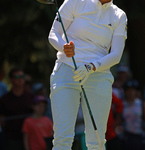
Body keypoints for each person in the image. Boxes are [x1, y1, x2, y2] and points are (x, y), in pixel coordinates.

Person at [48, 0, 127, 149]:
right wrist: (63, 48)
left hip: (98, 75)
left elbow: (116, 54)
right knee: (62, 139)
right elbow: (54, 33)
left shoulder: (119, 15)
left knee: (96, 141)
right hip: (66, 70)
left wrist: (91, 67)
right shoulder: (74, 2)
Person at [0, 68, 34, 150]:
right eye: (17, 76)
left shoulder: (31, 97)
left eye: (22, 76)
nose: (20, 79)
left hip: (31, 138)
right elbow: (2, 119)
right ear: (11, 80)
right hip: (11, 140)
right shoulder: (5, 99)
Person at [121, 79, 145, 150]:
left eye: (132, 90)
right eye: (128, 90)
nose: (130, 93)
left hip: (140, 135)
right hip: (127, 135)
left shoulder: (142, 104)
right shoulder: (122, 104)